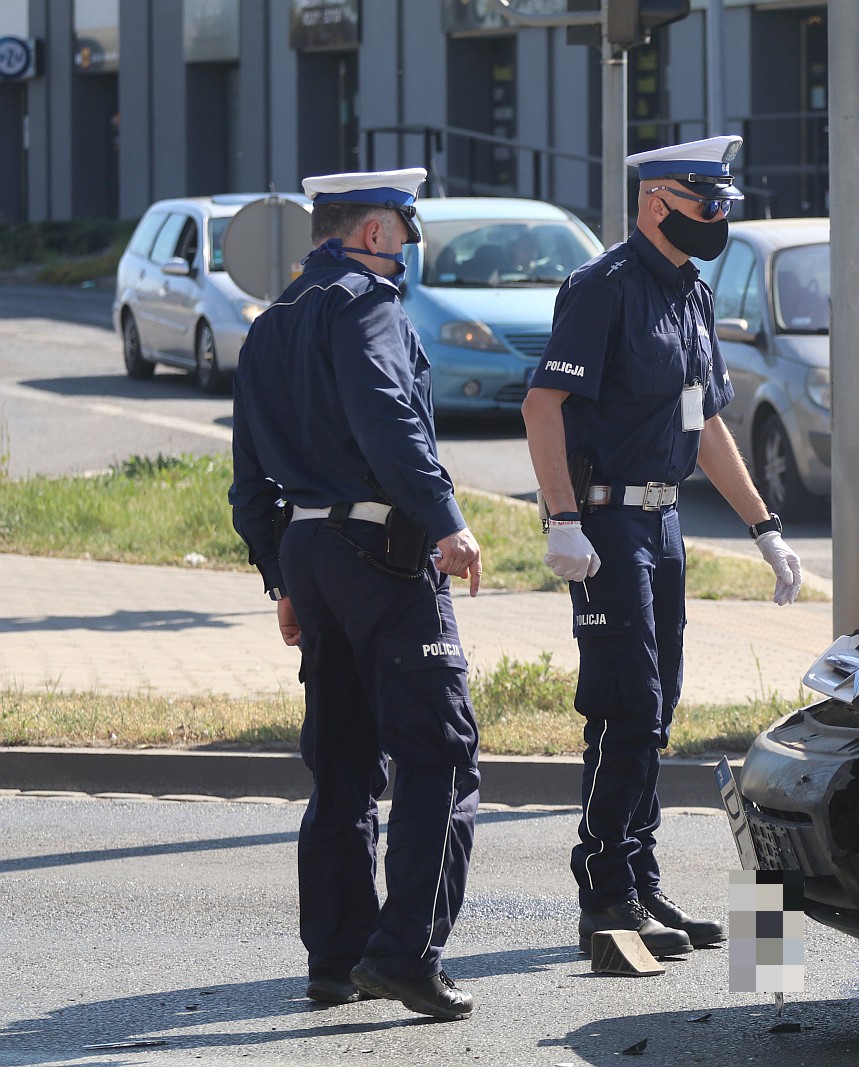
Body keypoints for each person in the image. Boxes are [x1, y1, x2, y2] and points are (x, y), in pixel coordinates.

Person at [521, 134, 803, 958]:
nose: (717, 218)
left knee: (658, 708)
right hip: (605, 523)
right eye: (705, 203)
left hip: (663, 522)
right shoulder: (602, 289)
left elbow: (701, 420)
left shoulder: (690, 293)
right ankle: (605, 891)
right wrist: (562, 518)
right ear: (657, 202)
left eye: (723, 205)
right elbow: (543, 406)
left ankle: (640, 880)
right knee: (626, 704)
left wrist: (764, 527)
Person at [230, 167, 484, 1022]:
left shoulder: (271, 323)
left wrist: (282, 578)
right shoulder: (369, 305)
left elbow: (247, 482)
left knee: (341, 762)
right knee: (440, 751)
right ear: (375, 232)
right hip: (383, 551)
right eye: (406, 233)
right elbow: (387, 419)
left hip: (310, 550)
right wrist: (446, 520)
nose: (408, 250)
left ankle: (336, 957)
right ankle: (406, 954)